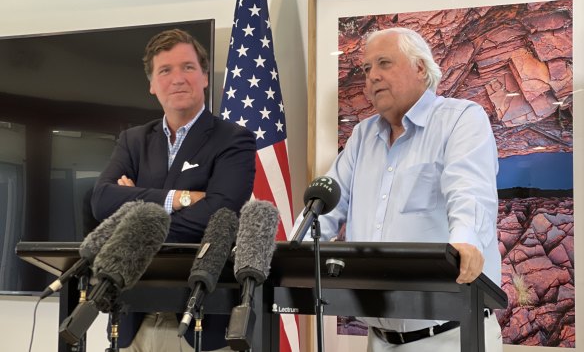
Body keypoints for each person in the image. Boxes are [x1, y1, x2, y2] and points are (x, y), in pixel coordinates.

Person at [296, 27, 502, 351]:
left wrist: (466, 240)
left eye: (384, 64)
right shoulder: (362, 137)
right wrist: (294, 251)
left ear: (420, 68)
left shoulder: (461, 119)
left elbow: (469, 190)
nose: (372, 77)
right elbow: (325, 205)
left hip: (449, 335)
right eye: (366, 69)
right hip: (378, 339)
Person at [91, 28, 256, 352]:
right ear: (152, 84)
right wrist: (178, 198)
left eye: (188, 67)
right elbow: (100, 200)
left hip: (202, 323)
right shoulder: (133, 140)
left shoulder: (234, 139)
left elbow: (218, 215)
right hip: (131, 320)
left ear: (205, 77)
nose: (178, 78)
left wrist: (134, 207)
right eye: (165, 70)